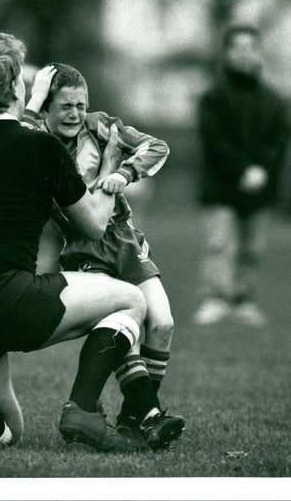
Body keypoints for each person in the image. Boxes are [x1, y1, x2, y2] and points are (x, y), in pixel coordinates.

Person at [0, 30, 174, 453]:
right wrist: (110, 163)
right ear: (14, 85)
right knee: (132, 301)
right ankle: (84, 411)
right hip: (10, 301)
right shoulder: (39, 146)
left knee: (4, 433)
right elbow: (92, 225)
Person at [23, 63, 184, 450]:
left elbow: (156, 147)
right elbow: (20, 135)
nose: (75, 114)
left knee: (162, 322)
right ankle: (148, 415)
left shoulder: (101, 126)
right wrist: (31, 103)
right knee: (123, 317)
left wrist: (124, 173)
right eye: (65, 106)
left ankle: (135, 415)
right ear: (46, 108)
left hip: (123, 237)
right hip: (80, 248)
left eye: (81, 104)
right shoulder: (35, 140)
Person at [193, 24, 289, 327]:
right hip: (220, 185)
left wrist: (262, 170)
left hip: (260, 187)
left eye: (251, 47)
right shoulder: (213, 97)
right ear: (226, 53)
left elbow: (279, 141)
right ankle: (215, 299)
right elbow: (214, 140)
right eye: (239, 48)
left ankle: (244, 300)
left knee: (253, 248)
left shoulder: (273, 99)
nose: (246, 54)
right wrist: (243, 169)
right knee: (218, 245)